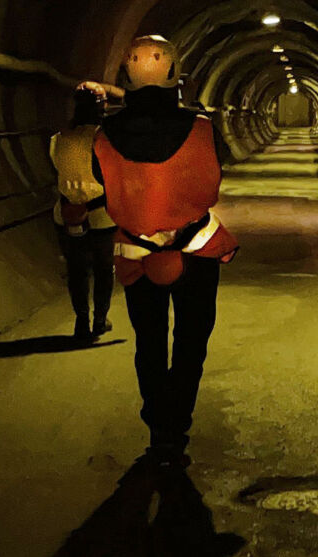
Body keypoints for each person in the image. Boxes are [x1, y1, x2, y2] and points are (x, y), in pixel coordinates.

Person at [93, 35, 238, 467]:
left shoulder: (106, 133)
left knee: (150, 340)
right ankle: (178, 421)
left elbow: (100, 183)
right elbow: (216, 173)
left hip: (136, 254)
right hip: (195, 249)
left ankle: (159, 425)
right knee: (191, 340)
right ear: (176, 76)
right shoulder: (200, 127)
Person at [50, 81, 117, 340]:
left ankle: (81, 320)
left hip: (68, 214)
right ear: (101, 106)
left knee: (77, 270)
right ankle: (99, 319)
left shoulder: (59, 138)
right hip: (101, 213)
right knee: (103, 268)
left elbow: (56, 170)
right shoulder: (105, 138)